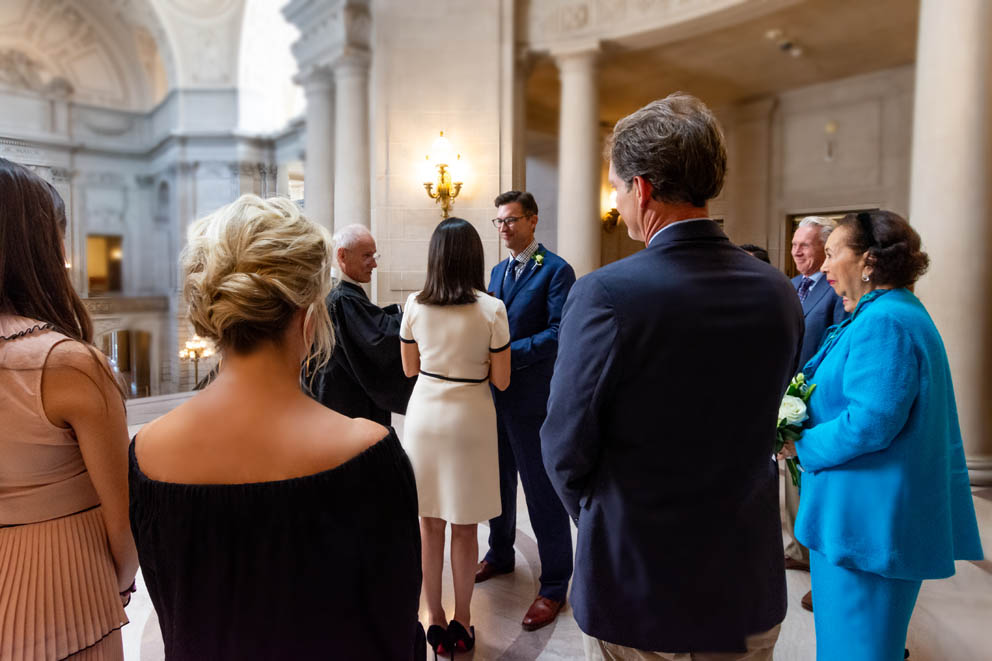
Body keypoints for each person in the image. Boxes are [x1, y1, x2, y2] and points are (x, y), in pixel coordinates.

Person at [542, 94, 804, 660]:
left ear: (641, 188)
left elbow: (564, 443)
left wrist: (599, 517)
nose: (617, 200)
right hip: (743, 580)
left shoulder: (605, 293)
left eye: (615, 187)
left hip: (639, 582)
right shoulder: (778, 290)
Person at [130, 195, 422, 660]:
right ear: (309, 319)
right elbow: (395, 628)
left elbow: (174, 616)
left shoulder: (148, 450)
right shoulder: (368, 452)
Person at [778, 210, 983, 661]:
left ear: (868, 260)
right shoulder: (890, 311)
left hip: (865, 523)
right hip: (863, 517)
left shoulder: (884, 321)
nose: (825, 266)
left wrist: (799, 443)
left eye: (832, 254)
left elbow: (871, 422)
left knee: (858, 649)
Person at [0, 157, 138, 661]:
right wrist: (116, 583)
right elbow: (124, 522)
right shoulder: (66, 365)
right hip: (62, 589)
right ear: (36, 246)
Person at [399, 218, 511, 655]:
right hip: (470, 415)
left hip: (426, 413)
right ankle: (463, 621)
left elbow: (409, 369)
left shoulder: (413, 304)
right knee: (465, 529)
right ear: (475, 258)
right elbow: (501, 380)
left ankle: (434, 619)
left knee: (429, 525)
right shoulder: (492, 308)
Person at [476, 190, 576, 632]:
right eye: (498, 221)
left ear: (533, 221)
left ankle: (554, 583)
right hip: (494, 398)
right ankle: (499, 553)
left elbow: (558, 333)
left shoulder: (556, 271)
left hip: (533, 399)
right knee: (497, 483)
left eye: (511, 220)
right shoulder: (497, 271)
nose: (503, 229)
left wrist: (504, 354)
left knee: (541, 491)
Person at [785, 216, 847, 609]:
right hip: (787, 394)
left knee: (815, 482)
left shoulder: (837, 290)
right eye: (794, 244)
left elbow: (836, 345)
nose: (797, 251)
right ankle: (797, 549)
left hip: (818, 398)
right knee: (789, 482)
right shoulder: (790, 287)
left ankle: (819, 568)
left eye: (805, 245)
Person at [307, 224, 415, 424]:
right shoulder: (341, 298)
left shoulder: (341, 293)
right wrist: (415, 315)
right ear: (342, 256)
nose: (374, 264)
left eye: (375, 256)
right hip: (346, 402)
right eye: (367, 256)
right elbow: (378, 339)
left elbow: (366, 325)